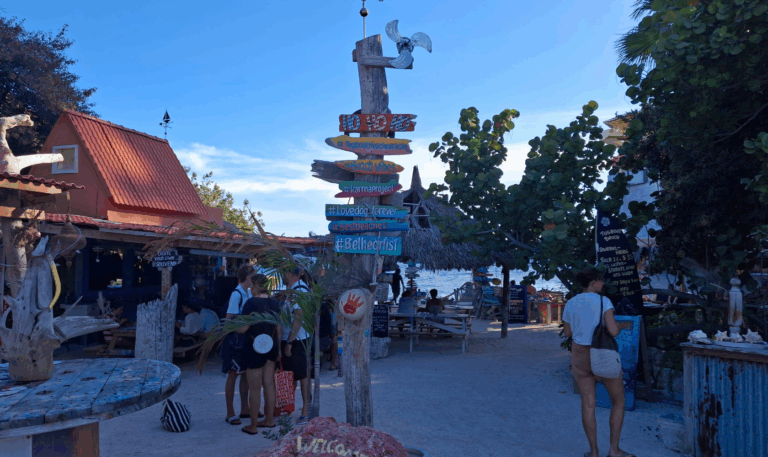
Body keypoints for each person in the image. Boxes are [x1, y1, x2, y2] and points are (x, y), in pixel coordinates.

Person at [562, 268, 634, 457]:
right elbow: (613, 331)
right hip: (602, 353)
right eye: (601, 281)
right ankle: (614, 450)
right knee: (618, 401)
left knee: (588, 404)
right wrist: (618, 326)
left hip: (580, 355)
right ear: (594, 282)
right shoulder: (604, 301)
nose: (603, 284)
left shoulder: (571, 303)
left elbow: (568, 333)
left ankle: (593, 452)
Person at [237, 275, 280, 435]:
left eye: (252, 285)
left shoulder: (251, 303)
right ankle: (269, 420)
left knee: (254, 388)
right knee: (269, 385)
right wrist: (279, 349)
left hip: (254, 347)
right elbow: (279, 327)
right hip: (272, 346)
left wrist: (232, 326)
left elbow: (243, 328)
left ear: (256, 285)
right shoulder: (275, 303)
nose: (250, 288)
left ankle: (253, 425)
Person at [222, 264, 253, 426]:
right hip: (235, 342)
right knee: (233, 375)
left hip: (243, 341)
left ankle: (244, 408)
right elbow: (228, 320)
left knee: (245, 374)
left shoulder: (247, 292)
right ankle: (230, 412)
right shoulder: (237, 294)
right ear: (247, 276)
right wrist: (242, 327)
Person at [281, 267, 311, 425]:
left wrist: (290, 341)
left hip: (297, 339)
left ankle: (305, 409)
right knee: (290, 375)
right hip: (291, 337)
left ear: (289, 273)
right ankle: (289, 406)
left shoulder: (299, 290)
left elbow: (299, 317)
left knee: (302, 375)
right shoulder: (293, 290)